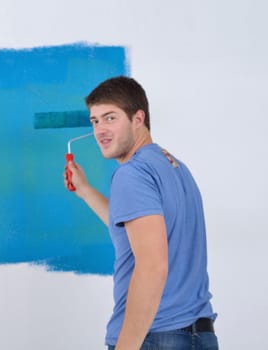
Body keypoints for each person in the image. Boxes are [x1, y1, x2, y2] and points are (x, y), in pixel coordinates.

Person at [64, 76, 218, 349]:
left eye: (110, 118)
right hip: (199, 335)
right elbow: (134, 229)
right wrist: (85, 190)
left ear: (138, 118)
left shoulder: (131, 174)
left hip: (156, 337)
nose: (100, 130)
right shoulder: (174, 167)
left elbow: (152, 267)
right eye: (95, 121)